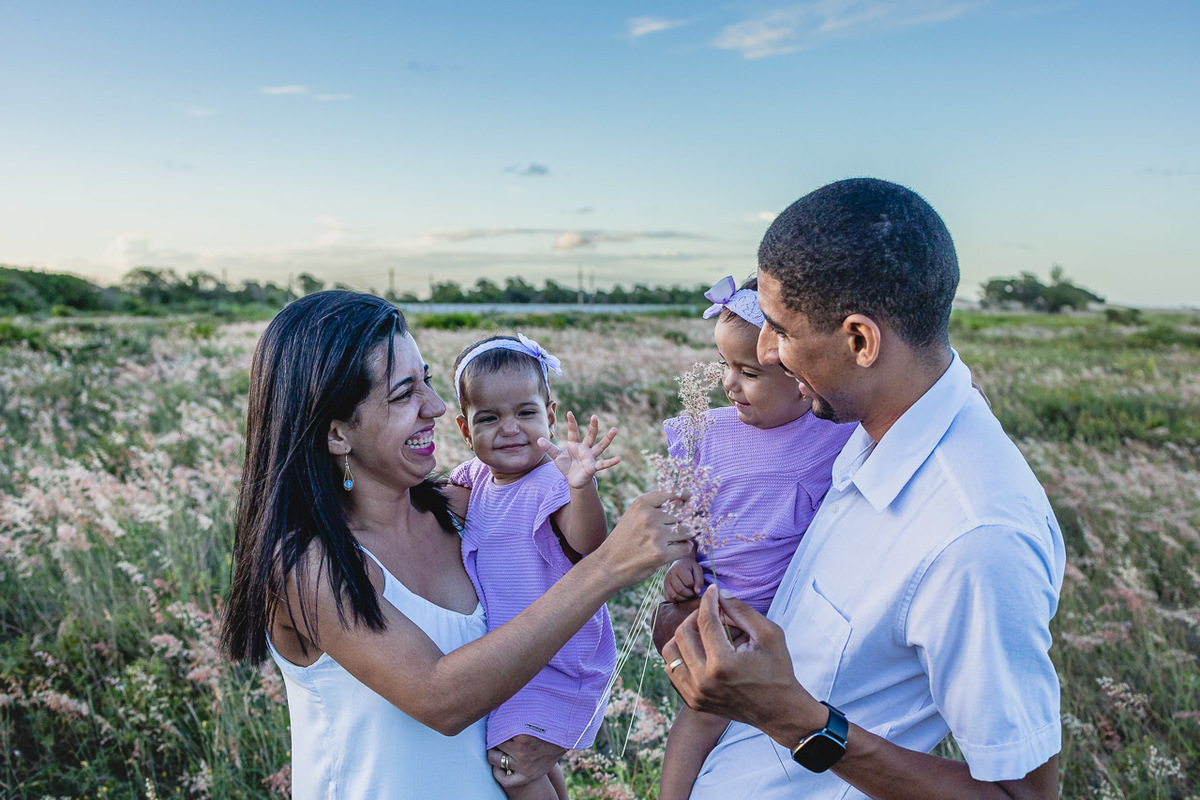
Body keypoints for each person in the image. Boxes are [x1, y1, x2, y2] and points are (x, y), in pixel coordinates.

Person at [662, 178, 1066, 799]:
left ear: (859, 340)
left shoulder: (975, 542)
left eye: (780, 329)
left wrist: (794, 720)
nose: (767, 352)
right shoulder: (871, 424)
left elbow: (1023, 798)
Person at [219, 291, 692, 799]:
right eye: (404, 394)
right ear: (337, 434)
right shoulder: (308, 563)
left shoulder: (466, 516)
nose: (438, 407)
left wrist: (548, 733)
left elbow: (529, 655)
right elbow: (441, 698)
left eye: (426, 378)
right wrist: (607, 568)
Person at [656, 275, 853, 799]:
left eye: (748, 372)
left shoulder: (832, 431)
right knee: (704, 715)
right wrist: (678, 558)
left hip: (797, 613)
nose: (729, 384)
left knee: (777, 727)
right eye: (724, 365)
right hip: (723, 607)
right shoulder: (707, 432)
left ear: (802, 377)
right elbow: (680, 506)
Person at [447, 333, 621, 800]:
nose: (509, 429)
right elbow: (425, 503)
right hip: (513, 658)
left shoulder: (552, 483)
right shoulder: (475, 480)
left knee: (514, 763)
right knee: (530, 759)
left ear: (548, 413)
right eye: (489, 418)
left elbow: (589, 545)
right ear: (465, 431)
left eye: (525, 413)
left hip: (558, 658)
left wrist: (583, 487)